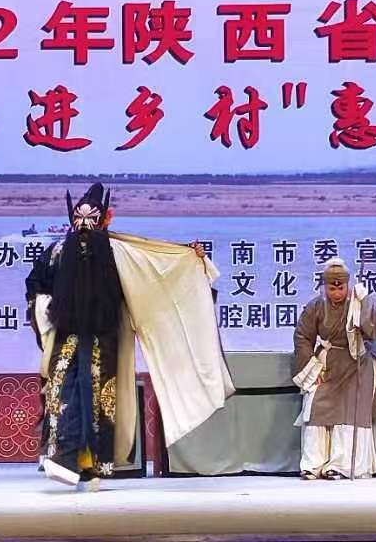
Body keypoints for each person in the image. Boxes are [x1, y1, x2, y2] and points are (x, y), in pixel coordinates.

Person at [25, 183, 233, 491]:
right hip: (67, 334)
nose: (84, 227)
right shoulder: (58, 252)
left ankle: (90, 467)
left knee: (97, 399)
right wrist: (46, 312)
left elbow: (159, 278)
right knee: (67, 394)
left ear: (105, 219)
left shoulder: (118, 252)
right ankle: (66, 460)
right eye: (80, 220)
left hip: (105, 338)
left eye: (91, 220)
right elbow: (35, 288)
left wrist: (191, 260)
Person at [292, 257, 376, 480]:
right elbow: (302, 336)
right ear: (324, 287)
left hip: (357, 365)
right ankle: (313, 464)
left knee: (349, 409)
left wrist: (366, 302)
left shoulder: (357, 301)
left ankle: (341, 465)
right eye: (331, 288)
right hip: (327, 365)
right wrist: (311, 367)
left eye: (341, 288)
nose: (336, 293)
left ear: (347, 285)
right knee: (316, 405)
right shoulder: (316, 306)